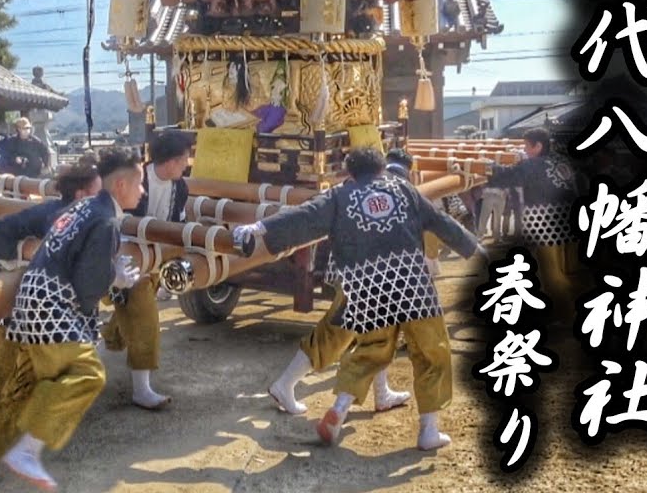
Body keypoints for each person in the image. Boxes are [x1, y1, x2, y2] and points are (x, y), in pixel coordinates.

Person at [235, 147, 485, 451]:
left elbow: (305, 216)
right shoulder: (403, 188)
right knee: (433, 352)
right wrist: (476, 250)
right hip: (412, 283)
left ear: (350, 173)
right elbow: (440, 220)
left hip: (366, 286)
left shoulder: (340, 195)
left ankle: (339, 409)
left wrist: (259, 227)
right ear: (381, 170)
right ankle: (428, 431)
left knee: (371, 350)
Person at [0, 147, 144, 490]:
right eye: (140, 184)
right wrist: (117, 278)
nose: (143, 191)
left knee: (24, 391)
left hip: (32, 300)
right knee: (87, 374)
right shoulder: (106, 220)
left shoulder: (83, 208)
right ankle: (28, 450)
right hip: (52, 307)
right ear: (122, 184)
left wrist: (109, 270)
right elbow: (88, 283)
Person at [0, 157, 102, 462]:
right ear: (81, 194)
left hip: (32, 306)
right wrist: (24, 252)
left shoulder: (88, 219)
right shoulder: (52, 214)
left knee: (12, 370)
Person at [266, 147, 415, 417]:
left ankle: (381, 392)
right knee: (335, 335)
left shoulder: (349, 187)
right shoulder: (395, 188)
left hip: (356, 273)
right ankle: (285, 383)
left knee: (379, 333)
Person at [104, 130, 191, 410]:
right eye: (184, 159)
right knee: (146, 318)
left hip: (156, 255)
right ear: (170, 161)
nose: (187, 164)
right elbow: (118, 220)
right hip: (127, 255)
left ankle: (91, 358)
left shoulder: (181, 187)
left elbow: (177, 223)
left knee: (127, 316)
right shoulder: (136, 180)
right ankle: (141, 389)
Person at [486, 128, 582, 318]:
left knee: (551, 271)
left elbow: (506, 176)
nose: (525, 150)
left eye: (527, 146)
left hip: (544, 220)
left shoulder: (532, 165)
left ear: (538, 146)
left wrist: (488, 166)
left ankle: (565, 313)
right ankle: (576, 305)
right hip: (571, 217)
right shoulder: (561, 161)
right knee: (570, 267)